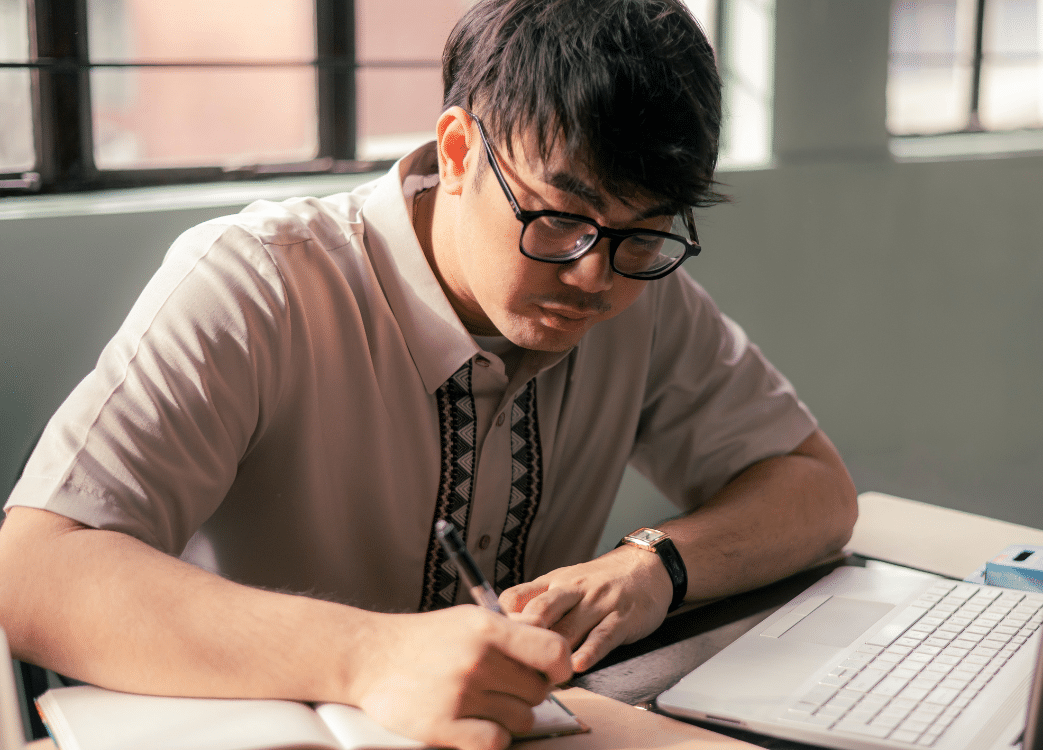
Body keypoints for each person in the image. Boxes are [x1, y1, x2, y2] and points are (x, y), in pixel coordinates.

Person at [0, 1, 858, 749]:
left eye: (643, 233)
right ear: (456, 151)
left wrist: (653, 566)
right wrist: (368, 656)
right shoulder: (259, 283)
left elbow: (815, 488)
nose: (595, 277)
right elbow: (34, 570)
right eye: (561, 218)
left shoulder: (644, 295)